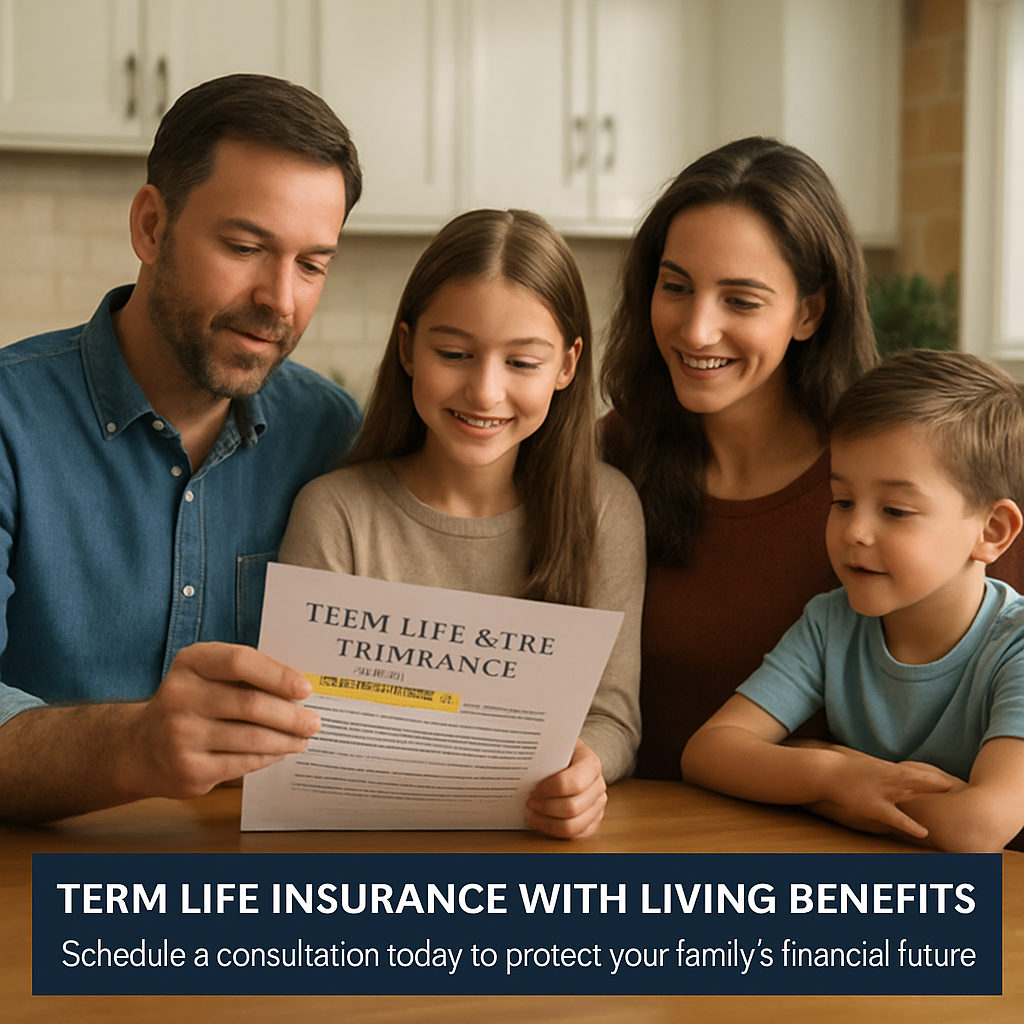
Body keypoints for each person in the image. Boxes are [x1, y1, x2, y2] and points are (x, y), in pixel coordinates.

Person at [602, 135, 1024, 779]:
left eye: (740, 300)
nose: (695, 329)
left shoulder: (924, 472)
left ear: (808, 311)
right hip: (661, 844)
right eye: (675, 286)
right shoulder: (612, 457)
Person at [0, 74, 363, 822]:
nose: (280, 300)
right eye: (244, 245)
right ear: (151, 227)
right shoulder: (10, 419)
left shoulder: (335, 436)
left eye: (311, 264)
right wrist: (132, 747)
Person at [279, 208, 645, 839]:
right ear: (407, 348)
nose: (483, 391)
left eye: (522, 363)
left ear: (567, 365)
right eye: (454, 352)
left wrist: (585, 771)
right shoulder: (334, 512)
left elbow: (612, 715)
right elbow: (301, 725)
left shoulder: (605, 508)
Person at [681, 350, 1024, 853]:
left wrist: (821, 786)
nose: (855, 532)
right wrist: (833, 774)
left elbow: (977, 828)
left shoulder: (1014, 647)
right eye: (842, 501)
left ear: (992, 531)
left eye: (896, 510)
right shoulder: (831, 621)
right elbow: (708, 752)